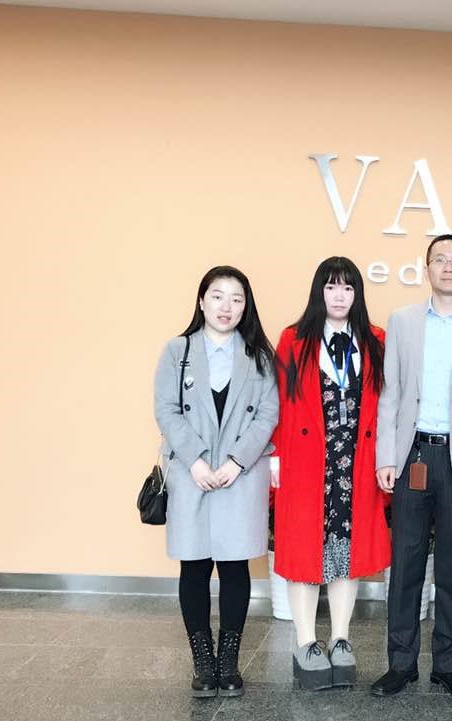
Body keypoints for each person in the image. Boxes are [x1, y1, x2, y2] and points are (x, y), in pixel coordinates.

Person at [371, 234, 452, 699]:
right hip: (412, 454)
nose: (448, 267)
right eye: (440, 259)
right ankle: (400, 663)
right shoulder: (403, 321)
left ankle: (449, 664)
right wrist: (386, 456)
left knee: (451, 564)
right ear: (426, 268)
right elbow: (390, 394)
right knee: (405, 563)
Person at [153, 266, 278, 698]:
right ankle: (203, 662)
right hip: (193, 474)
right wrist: (196, 461)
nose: (227, 306)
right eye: (218, 296)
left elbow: (269, 414)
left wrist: (237, 461)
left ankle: (229, 661)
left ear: (246, 307)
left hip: (240, 475)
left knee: (234, 565)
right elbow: (166, 410)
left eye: (237, 298)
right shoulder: (178, 350)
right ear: (202, 301)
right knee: (194, 565)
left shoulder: (260, 356)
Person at [271, 256, 390, 690]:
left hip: (354, 462)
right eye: (331, 287)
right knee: (304, 552)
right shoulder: (294, 340)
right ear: (318, 292)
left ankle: (341, 637)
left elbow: (387, 403)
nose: (339, 296)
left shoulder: (375, 340)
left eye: (348, 288)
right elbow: (277, 402)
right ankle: (305, 642)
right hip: (306, 461)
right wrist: (274, 456)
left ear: (358, 295)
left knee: (346, 550)